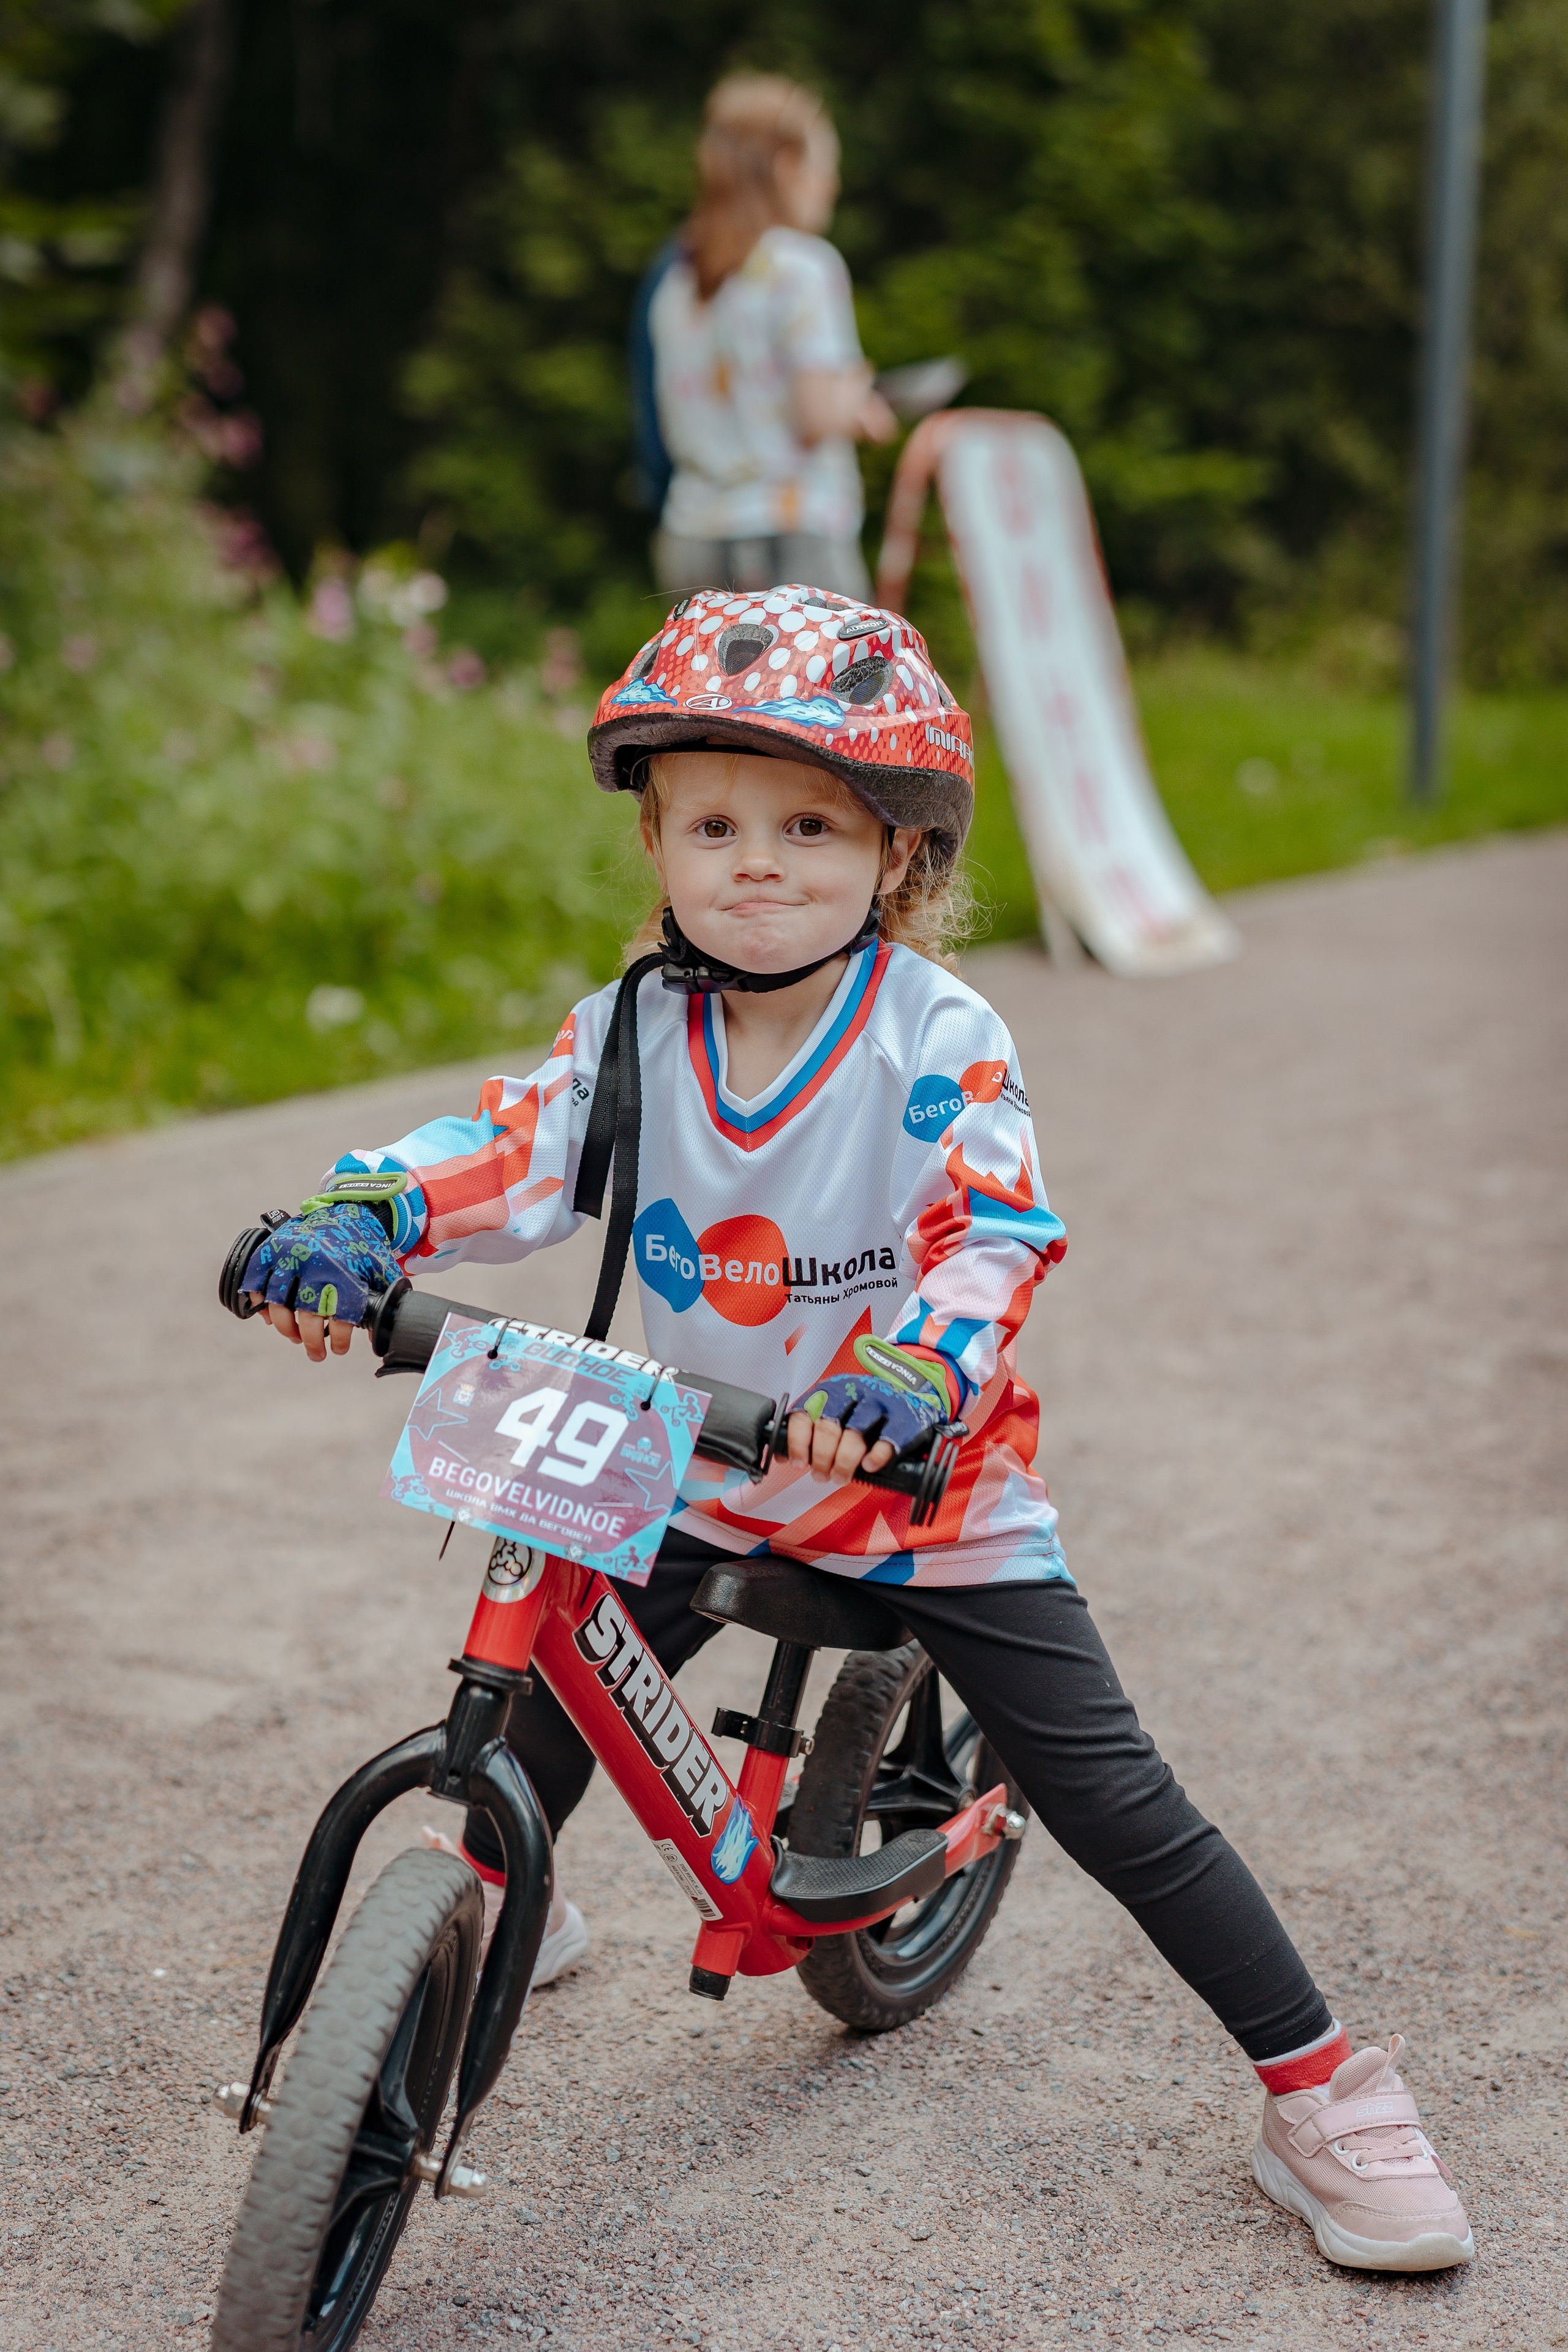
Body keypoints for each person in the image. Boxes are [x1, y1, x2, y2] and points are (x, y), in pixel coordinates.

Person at [241, 586, 1472, 2276]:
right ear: (659, 841)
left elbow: (992, 1233)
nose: (759, 861)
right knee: (540, 1677)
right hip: (702, 1453)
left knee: (1115, 1794)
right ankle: (480, 1892)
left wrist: (907, 1376)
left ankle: (1323, 2089)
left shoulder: (936, 1038)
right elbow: (505, 1147)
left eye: (811, 825)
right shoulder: (634, 1034)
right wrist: (362, 1216)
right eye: (717, 822)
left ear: (894, 855)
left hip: (911, 1490)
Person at [645, 76, 895, 601]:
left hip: (691, 541)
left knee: (702, 688)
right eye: (826, 166)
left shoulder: (678, 281)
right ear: (785, 166)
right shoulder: (804, 267)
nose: (833, 184)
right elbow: (817, 416)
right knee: (830, 686)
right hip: (792, 542)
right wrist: (855, 399)